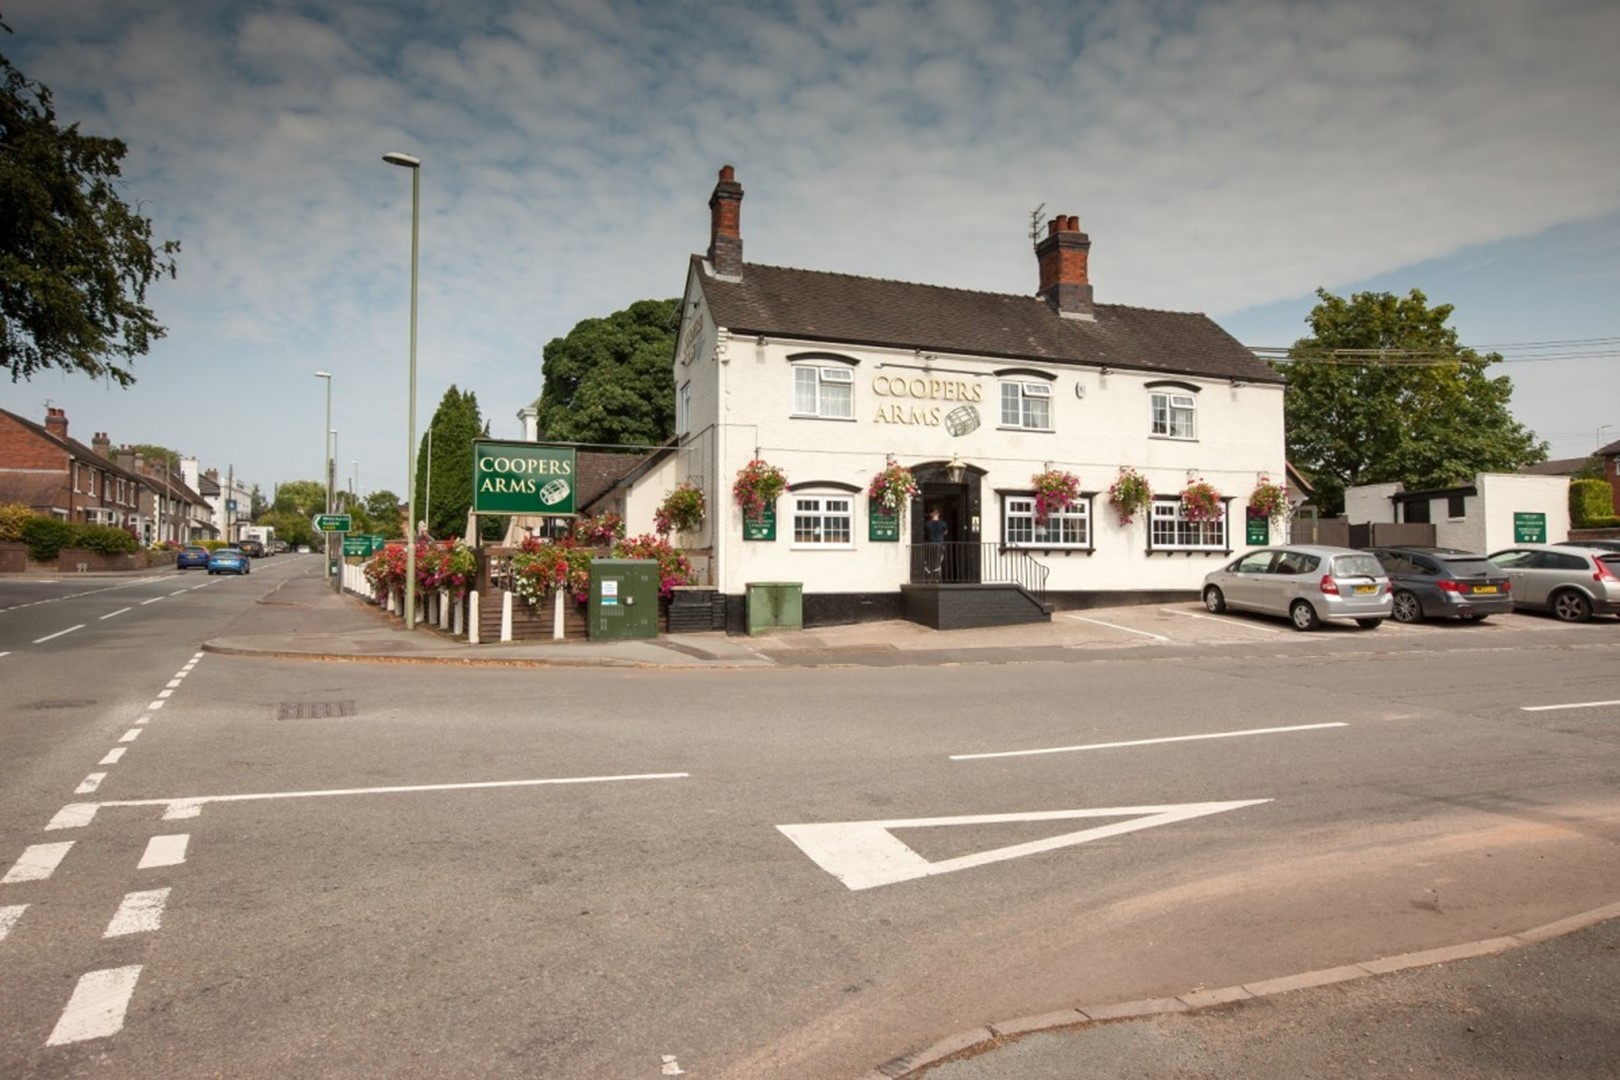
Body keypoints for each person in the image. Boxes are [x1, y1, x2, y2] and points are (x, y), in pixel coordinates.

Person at [924, 509, 948, 579]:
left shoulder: (928, 524)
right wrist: (941, 534)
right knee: (938, 560)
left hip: (930, 544)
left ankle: (928, 571)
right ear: (938, 515)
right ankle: (937, 575)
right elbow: (946, 532)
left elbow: (926, 533)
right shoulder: (943, 523)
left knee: (930, 559)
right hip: (939, 544)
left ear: (931, 515)